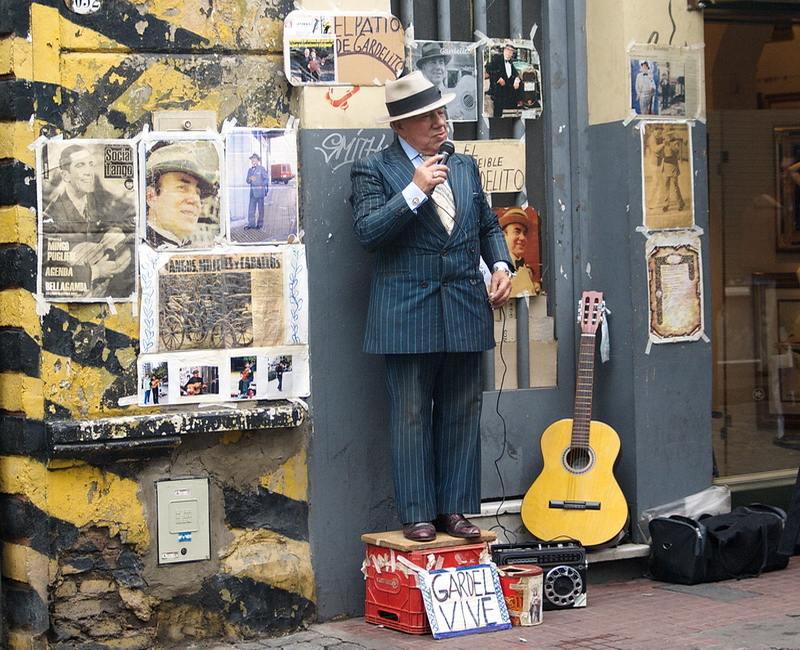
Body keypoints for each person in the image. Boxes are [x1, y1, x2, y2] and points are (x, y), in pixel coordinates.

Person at [350, 71, 513, 542]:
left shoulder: (464, 167)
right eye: (427, 119)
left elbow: (486, 225)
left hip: (465, 307)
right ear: (400, 128)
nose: (440, 124)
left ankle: (456, 509)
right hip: (405, 314)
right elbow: (368, 234)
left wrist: (500, 264)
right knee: (411, 414)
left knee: (463, 410)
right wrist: (415, 191)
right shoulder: (374, 169)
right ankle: (417, 512)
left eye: (441, 113)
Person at [42, 143, 135, 296]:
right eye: (80, 165)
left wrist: (115, 235)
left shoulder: (98, 199)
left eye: (91, 164)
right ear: (66, 175)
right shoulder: (52, 215)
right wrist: (96, 271)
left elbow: (127, 220)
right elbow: (48, 269)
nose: (89, 172)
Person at [145, 141, 218, 248]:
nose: (196, 201)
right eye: (182, 188)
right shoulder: (133, 251)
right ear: (151, 197)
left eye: (197, 193)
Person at [499, 208, 541, 297]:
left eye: (525, 233)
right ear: (503, 235)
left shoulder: (526, 270)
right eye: (517, 232)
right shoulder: (497, 268)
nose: (522, 238)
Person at [488, 42, 522, 118]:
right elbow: (488, 69)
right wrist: (498, 78)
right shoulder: (496, 59)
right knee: (497, 116)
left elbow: (515, 73)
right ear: (504, 50)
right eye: (507, 50)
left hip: (509, 94)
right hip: (499, 93)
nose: (508, 53)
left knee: (511, 116)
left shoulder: (511, 62)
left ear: (513, 53)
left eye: (511, 51)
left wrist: (517, 79)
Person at [659, 126, 686, 212]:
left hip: (673, 166)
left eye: (669, 135)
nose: (667, 137)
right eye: (666, 135)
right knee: (665, 186)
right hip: (665, 165)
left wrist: (669, 145)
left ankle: (681, 203)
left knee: (675, 187)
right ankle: (665, 204)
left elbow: (676, 151)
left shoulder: (675, 142)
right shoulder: (664, 143)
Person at [245, 153, 269, 230]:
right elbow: (247, 181)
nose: (253, 160)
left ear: (258, 160)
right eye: (252, 159)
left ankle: (260, 224)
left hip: (259, 192)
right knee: (251, 209)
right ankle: (251, 224)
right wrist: (250, 179)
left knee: (260, 209)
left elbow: (266, 179)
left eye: (254, 158)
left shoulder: (261, 168)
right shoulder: (249, 170)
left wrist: (262, 185)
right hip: (252, 193)